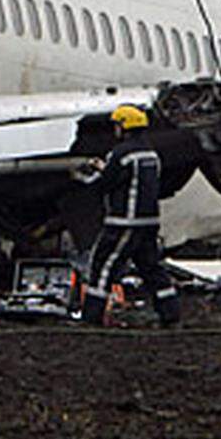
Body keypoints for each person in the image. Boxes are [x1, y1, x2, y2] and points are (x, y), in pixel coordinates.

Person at [75, 105, 181, 327]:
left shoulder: (121, 154)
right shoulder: (151, 154)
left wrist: (88, 175)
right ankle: (170, 315)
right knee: (152, 268)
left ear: (123, 127)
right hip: (149, 221)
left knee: (102, 266)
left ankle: (91, 317)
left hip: (124, 222)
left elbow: (105, 184)